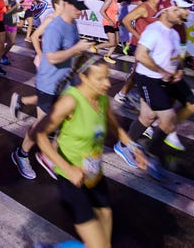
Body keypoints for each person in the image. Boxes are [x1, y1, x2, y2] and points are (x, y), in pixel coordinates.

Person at [33, 53, 143, 248]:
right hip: (71, 179)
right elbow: (40, 135)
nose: (107, 83)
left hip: (94, 175)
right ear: (83, 77)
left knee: (104, 242)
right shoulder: (71, 101)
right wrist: (68, 169)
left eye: (107, 77)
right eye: (100, 79)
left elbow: (115, 127)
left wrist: (134, 148)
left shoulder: (102, 100)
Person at [12, 0, 92, 180]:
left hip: (66, 83)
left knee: (66, 121)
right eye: (77, 8)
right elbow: (53, 57)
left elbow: (73, 49)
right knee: (43, 126)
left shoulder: (72, 24)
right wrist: (75, 49)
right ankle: (22, 154)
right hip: (49, 84)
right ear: (66, 5)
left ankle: (50, 155)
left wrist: (81, 63)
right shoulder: (54, 26)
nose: (80, 12)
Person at [117, 0, 194, 176]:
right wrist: (162, 71)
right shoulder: (153, 31)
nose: (182, 14)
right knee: (166, 119)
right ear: (165, 11)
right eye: (178, 10)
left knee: (150, 116)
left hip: (168, 78)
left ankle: (124, 144)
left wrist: (180, 69)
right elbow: (140, 55)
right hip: (149, 78)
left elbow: (177, 56)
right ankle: (150, 156)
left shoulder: (174, 33)